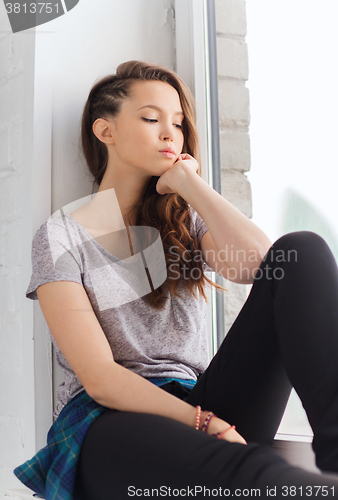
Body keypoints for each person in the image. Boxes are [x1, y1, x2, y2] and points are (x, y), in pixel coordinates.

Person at [13, 60, 338, 500]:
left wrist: (193, 186)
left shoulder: (185, 220)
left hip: (200, 398)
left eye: (179, 123)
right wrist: (203, 422)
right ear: (105, 131)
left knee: (303, 249)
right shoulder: (61, 237)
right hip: (110, 420)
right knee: (257, 475)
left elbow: (262, 264)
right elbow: (101, 378)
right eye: (151, 118)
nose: (170, 132)